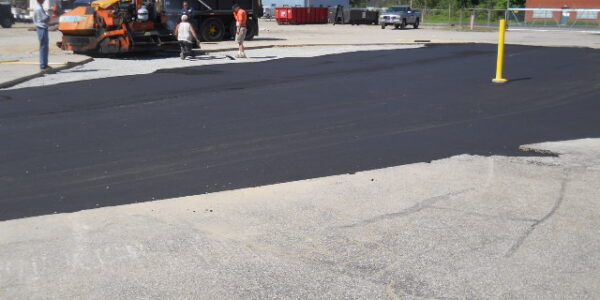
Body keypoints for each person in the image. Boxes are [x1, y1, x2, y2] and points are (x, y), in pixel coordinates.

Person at [32, 0, 50, 70]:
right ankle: (43, 65)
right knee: (43, 47)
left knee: (44, 46)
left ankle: (44, 64)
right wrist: (49, 16)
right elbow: (45, 19)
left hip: (41, 28)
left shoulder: (38, 7)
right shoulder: (39, 8)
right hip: (42, 28)